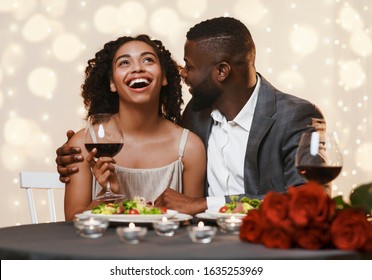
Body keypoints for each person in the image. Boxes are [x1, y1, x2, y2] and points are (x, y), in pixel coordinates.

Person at [56, 17, 324, 215]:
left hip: (265, 248)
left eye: (191, 67)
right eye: (124, 62)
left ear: (221, 72)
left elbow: (311, 201)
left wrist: (205, 204)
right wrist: (72, 154)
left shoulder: (296, 116)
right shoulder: (197, 115)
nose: (182, 73)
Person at [63, 34, 206, 221]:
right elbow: (70, 226)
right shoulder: (82, 144)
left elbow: (193, 223)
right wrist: (107, 197)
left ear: (163, 77)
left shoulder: (190, 147)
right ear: (112, 83)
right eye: (124, 63)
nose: (137, 68)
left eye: (147, 60)